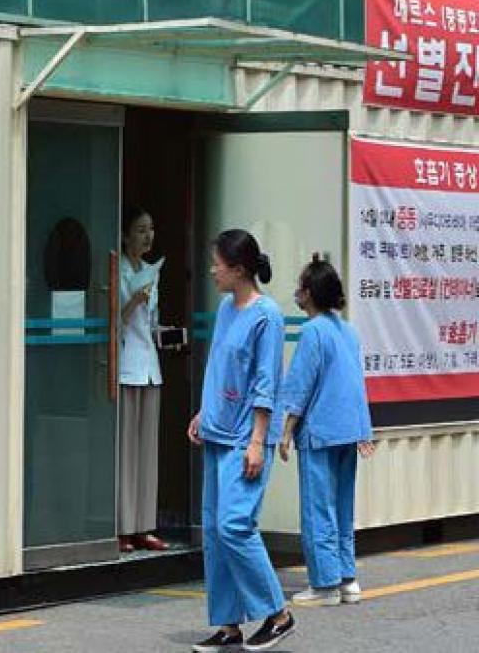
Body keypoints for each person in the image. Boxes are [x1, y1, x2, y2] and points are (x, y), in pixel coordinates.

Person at [187, 229, 295, 653]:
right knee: (215, 532)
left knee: (234, 525)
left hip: (246, 438)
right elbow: (219, 368)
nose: (212, 270)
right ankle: (229, 626)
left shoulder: (267, 315)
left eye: (218, 264)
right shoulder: (225, 308)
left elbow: (267, 381)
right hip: (217, 431)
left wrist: (257, 442)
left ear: (239, 269)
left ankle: (278, 614)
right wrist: (203, 413)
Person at [278, 255, 375, 607]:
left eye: (301, 286)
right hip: (350, 428)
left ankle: (323, 584)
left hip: (319, 431)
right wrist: (366, 430)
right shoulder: (348, 331)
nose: (296, 292)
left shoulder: (312, 332)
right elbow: (357, 383)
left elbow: (300, 385)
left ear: (310, 294)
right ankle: (347, 578)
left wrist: (285, 432)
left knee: (318, 508)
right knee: (342, 505)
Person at [117, 205, 169, 553]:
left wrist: (166, 333)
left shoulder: (152, 271)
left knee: (147, 449)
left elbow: (151, 324)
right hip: (124, 365)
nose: (147, 236)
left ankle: (145, 525)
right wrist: (135, 299)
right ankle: (122, 526)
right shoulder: (118, 270)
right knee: (125, 449)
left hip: (150, 366)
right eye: (139, 230)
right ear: (125, 235)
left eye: (150, 229)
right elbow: (114, 319)